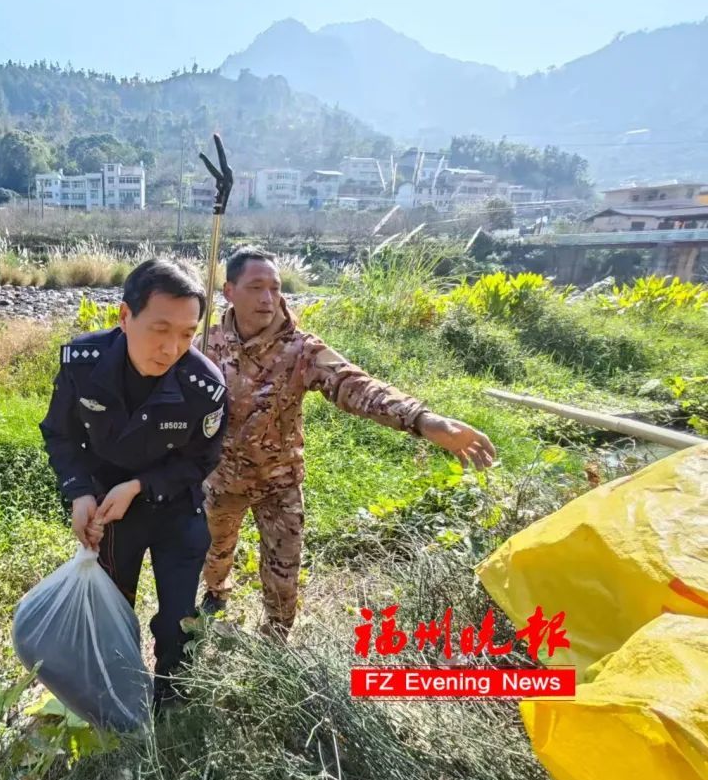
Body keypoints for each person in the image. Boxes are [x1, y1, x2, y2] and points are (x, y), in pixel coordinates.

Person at [199, 246, 496, 638]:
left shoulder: (301, 349)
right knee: (215, 555)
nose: (268, 298)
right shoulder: (206, 341)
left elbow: (356, 386)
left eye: (274, 287)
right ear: (229, 291)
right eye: (256, 287)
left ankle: (275, 639)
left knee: (284, 575)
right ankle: (217, 594)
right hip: (221, 481)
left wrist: (424, 420)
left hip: (279, 483)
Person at [39, 258, 228, 708]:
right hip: (108, 514)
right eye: (160, 329)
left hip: (175, 510)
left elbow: (200, 460)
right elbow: (60, 434)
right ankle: (114, 695)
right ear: (125, 317)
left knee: (178, 617)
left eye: (187, 333)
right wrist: (79, 492)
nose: (172, 348)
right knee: (110, 610)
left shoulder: (205, 387)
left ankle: (172, 699)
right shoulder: (83, 365)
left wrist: (140, 486)